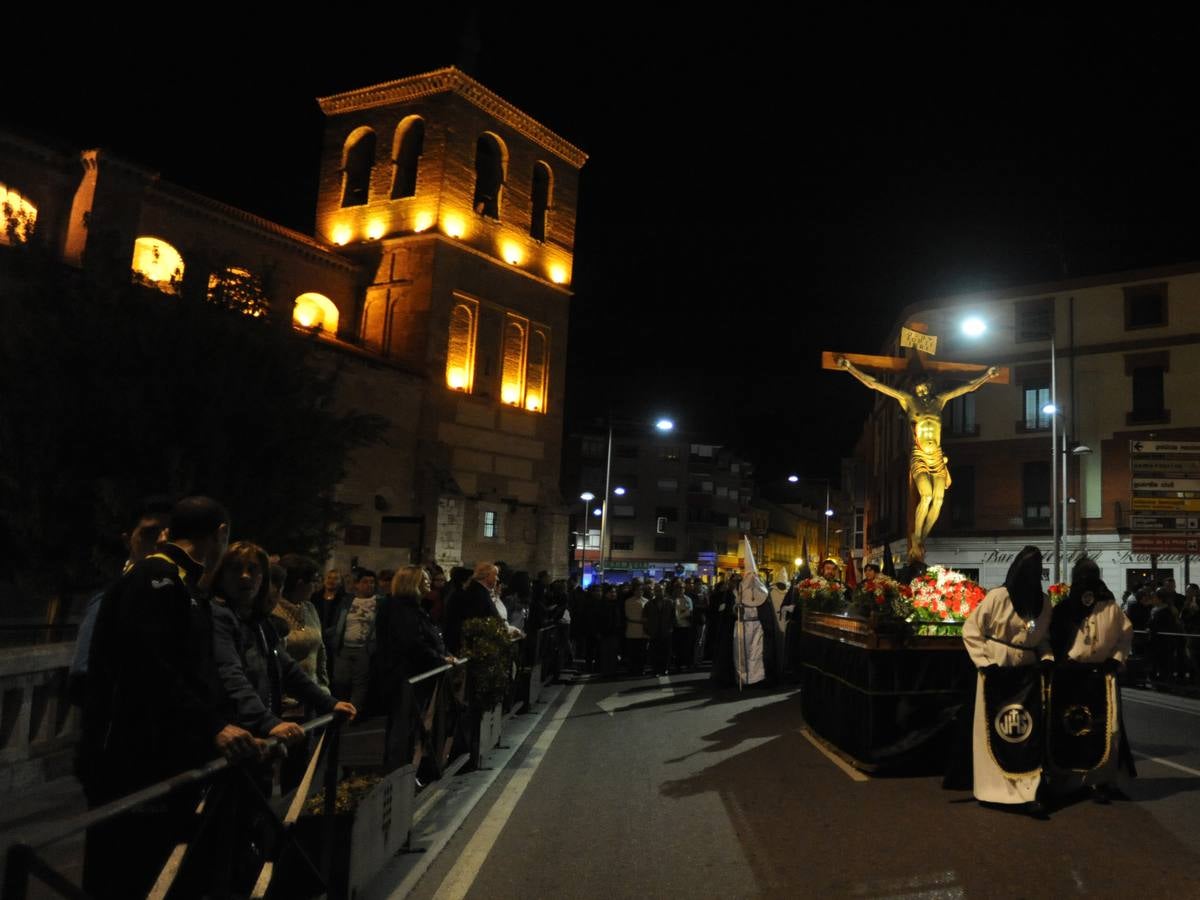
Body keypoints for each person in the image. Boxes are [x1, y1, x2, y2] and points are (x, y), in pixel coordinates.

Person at [80, 497, 261, 899]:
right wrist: (213, 726)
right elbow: (150, 668)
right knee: (126, 872)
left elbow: (198, 675)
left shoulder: (181, 583)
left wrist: (238, 728)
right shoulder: (157, 579)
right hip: (133, 759)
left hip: (164, 754)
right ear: (220, 533)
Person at [835, 355, 999, 560]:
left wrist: (987, 375)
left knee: (938, 500)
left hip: (937, 455)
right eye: (917, 387)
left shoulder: (939, 401)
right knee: (927, 495)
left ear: (930, 386)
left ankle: (921, 537)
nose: (920, 390)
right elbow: (875, 385)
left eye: (923, 387)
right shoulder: (908, 401)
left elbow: (967, 387)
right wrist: (851, 368)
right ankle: (916, 535)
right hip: (920, 454)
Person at [961, 545, 1053, 817]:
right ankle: (994, 787)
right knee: (995, 728)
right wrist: (986, 664)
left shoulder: (1043, 603)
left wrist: (1046, 656)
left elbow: (1040, 636)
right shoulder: (998, 597)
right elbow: (972, 629)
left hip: (1026, 674)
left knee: (1025, 731)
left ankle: (1028, 789)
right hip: (997, 670)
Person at [1046, 557, 1135, 802]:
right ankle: (1067, 780)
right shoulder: (1064, 609)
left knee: (1107, 731)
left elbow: (1125, 635)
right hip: (1070, 677)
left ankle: (1104, 781)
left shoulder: (1110, 608)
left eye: (1092, 574)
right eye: (1083, 575)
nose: (1088, 580)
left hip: (1101, 677)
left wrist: (1116, 658)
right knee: (1070, 728)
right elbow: (1052, 638)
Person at [69, 496, 172, 706]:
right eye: (149, 533)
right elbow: (82, 678)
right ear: (128, 540)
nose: (160, 542)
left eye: (170, 535)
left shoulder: (176, 594)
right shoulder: (111, 597)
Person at [375, 566, 457, 772]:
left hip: (412, 676)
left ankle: (406, 769)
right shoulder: (401, 609)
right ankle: (398, 773)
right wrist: (439, 659)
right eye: (425, 579)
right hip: (405, 676)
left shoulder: (413, 607)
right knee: (403, 727)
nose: (429, 582)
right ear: (413, 583)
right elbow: (412, 642)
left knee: (411, 725)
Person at [329, 569, 380, 713]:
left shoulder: (378, 602)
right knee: (340, 680)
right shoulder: (347, 601)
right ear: (357, 585)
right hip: (344, 646)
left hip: (364, 648)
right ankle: (340, 709)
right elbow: (338, 620)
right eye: (365, 582)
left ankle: (353, 712)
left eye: (372, 582)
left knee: (360, 682)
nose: (369, 585)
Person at [444, 562, 501, 655]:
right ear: (486, 576)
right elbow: (476, 620)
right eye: (495, 575)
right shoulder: (478, 594)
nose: (497, 579)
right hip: (474, 647)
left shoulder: (480, 592)